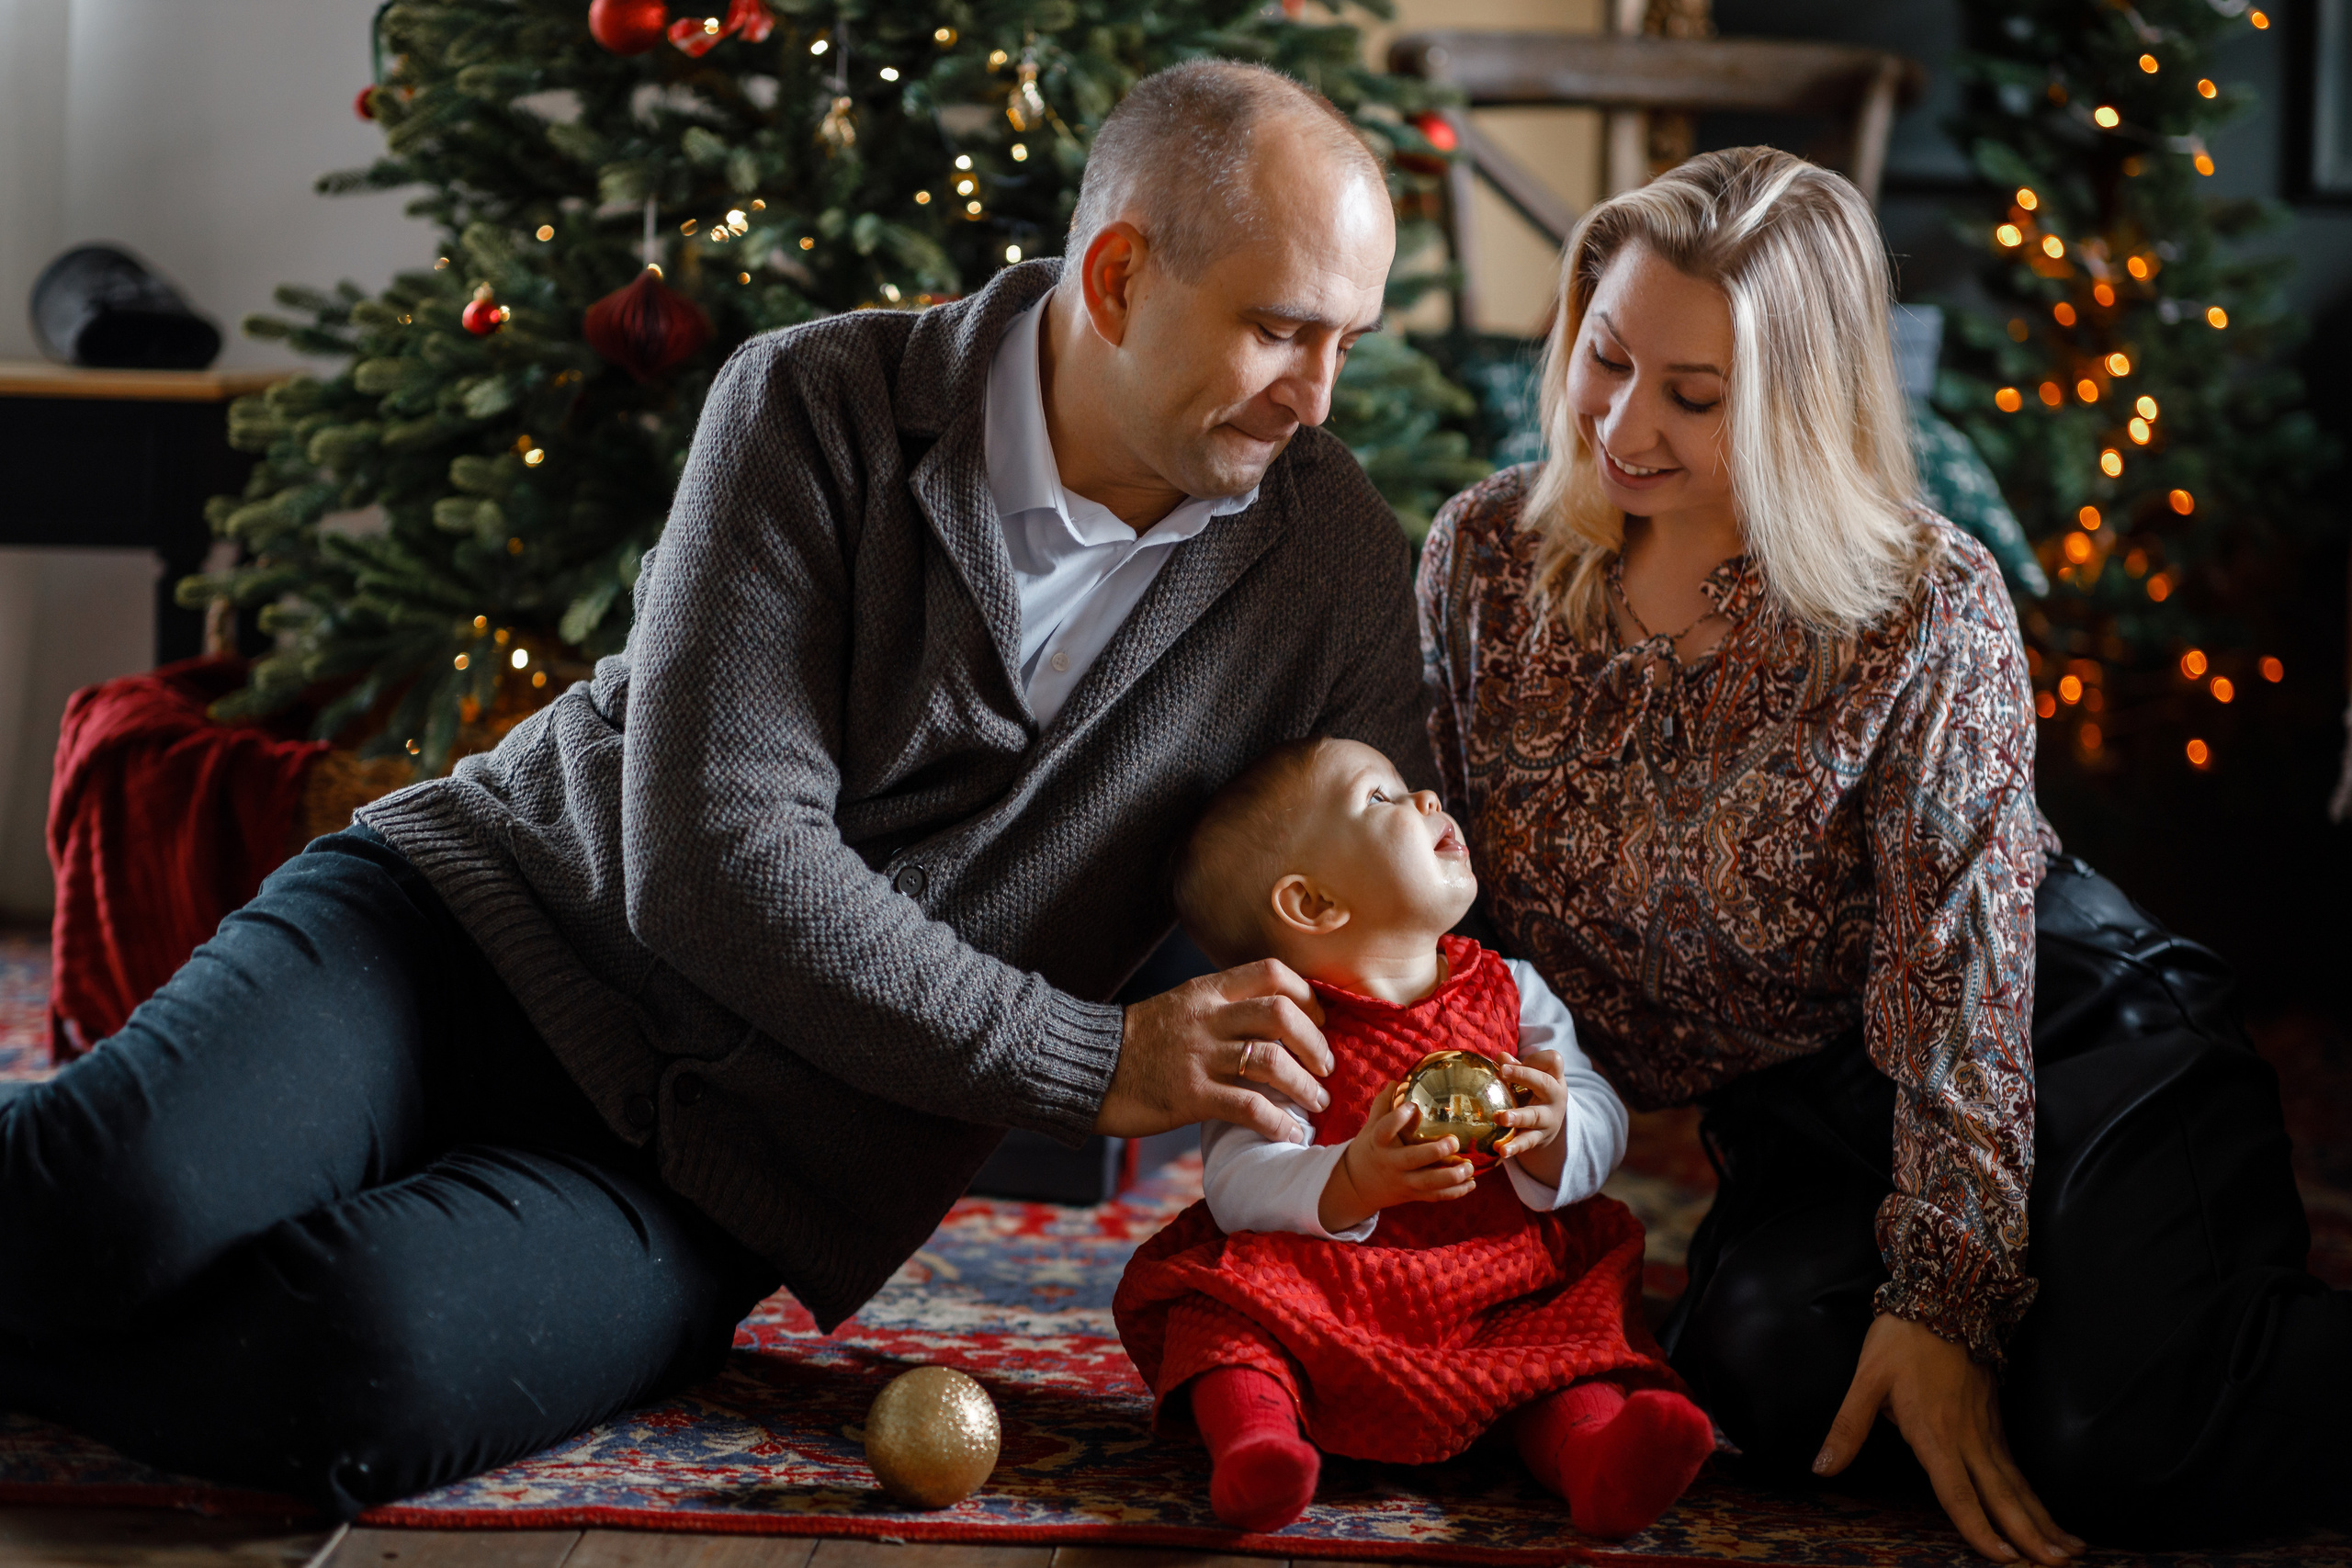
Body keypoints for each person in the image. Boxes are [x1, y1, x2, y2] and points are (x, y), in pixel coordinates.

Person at [0, 61, 1422, 1517]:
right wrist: (1088, 1058)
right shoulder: (816, 401)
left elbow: (1411, 920)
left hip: (715, 1180)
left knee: (358, 1367)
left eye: (1345, 342)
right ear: (1117, 278)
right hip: (460, 936)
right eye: (1280, 330)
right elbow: (712, 862)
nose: (1317, 397)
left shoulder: (1331, 567)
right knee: (114, 1200)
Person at [1418, 144, 2351, 1554]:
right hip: (1809, 1109)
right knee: (1779, 1380)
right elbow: (1442, 907)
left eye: (1694, 395)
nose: (1619, 421)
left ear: (1800, 404)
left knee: (2116, 1437)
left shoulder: (1927, 602)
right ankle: (2097, 1345)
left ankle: (2164, 1342)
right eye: (1604, 355)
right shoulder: (1483, 557)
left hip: (2068, 1037)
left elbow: (1959, 985)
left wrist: (1946, 1302)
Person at [1114, 738, 1713, 1539]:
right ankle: (1258, 1445)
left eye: (1409, 785)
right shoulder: (1281, 1030)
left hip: (1499, 1287)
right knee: (1220, 1314)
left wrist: (1556, 1128)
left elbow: (1604, 1116)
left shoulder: (1516, 991)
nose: (1426, 796)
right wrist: (1353, 1177)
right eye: (1381, 797)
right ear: (1315, 904)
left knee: (1573, 1340)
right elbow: (1237, 1182)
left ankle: (1596, 1458)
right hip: (1331, 1298)